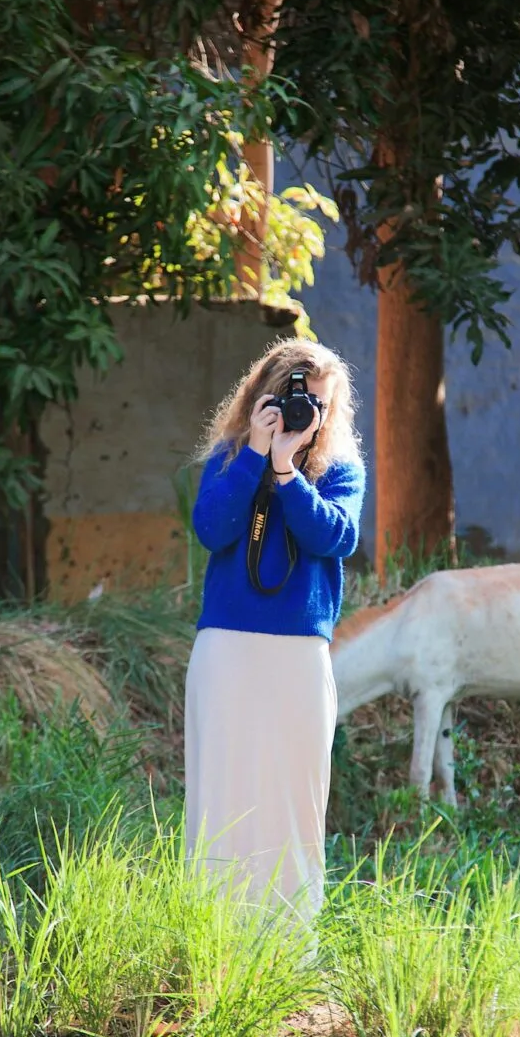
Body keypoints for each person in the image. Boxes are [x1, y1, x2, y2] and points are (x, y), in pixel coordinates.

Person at [184, 338, 365, 925]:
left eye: (319, 405)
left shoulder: (341, 469)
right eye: (295, 399)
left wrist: (287, 473)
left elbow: (336, 538)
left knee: (293, 798)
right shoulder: (231, 457)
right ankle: (213, 937)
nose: (305, 415)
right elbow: (212, 529)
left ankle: (290, 946)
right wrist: (258, 455)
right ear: (264, 396)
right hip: (226, 650)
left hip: (298, 655)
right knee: (222, 791)